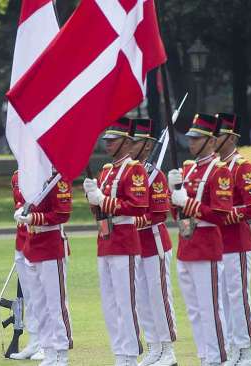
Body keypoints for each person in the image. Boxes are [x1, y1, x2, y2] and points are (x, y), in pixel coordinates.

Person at [167, 114, 232, 366]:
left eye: (197, 138)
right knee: (194, 310)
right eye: (191, 138)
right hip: (187, 243)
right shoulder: (189, 168)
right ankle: (205, 356)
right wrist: (175, 194)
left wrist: (188, 203)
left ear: (211, 141)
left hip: (207, 244)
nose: (191, 142)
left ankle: (217, 358)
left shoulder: (220, 171)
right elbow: (177, 213)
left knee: (210, 308)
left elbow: (221, 213)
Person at [83, 118, 148, 366]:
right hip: (106, 240)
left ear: (127, 142)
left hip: (124, 239)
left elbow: (137, 206)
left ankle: (130, 355)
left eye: (113, 140)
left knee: (126, 301)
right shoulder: (107, 170)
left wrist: (102, 200)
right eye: (107, 140)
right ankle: (119, 353)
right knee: (109, 303)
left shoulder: (135, 170)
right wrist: (92, 197)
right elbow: (98, 211)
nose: (108, 144)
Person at [214, 113, 251, 366]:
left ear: (231, 137)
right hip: (214, 243)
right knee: (221, 299)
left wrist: (228, 214)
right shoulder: (212, 167)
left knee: (238, 297)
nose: (213, 139)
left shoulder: (242, 167)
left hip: (236, 241)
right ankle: (231, 346)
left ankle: (245, 350)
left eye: (219, 135)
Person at [129, 119, 177, 366]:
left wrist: (130, 222)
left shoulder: (154, 174)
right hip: (133, 246)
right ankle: (154, 346)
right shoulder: (128, 173)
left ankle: (168, 350)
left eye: (134, 142)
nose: (129, 146)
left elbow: (160, 212)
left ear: (147, 146)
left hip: (154, 243)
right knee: (142, 299)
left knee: (159, 297)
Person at [15, 171, 74, 366]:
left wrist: (33, 218)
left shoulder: (58, 178)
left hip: (51, 245)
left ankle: (61, 353)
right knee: (39, 305)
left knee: (55, 304)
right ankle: (48, 351)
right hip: (32, 244)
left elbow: (62, 214)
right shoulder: (32, 176)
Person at [8, 170, 44, 361]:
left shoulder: (44, 174)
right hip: (21, 239)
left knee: (42, 296)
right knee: (29, 296)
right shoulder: (16, 176)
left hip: (38, 238)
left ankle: (46, 343)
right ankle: (34, 340)